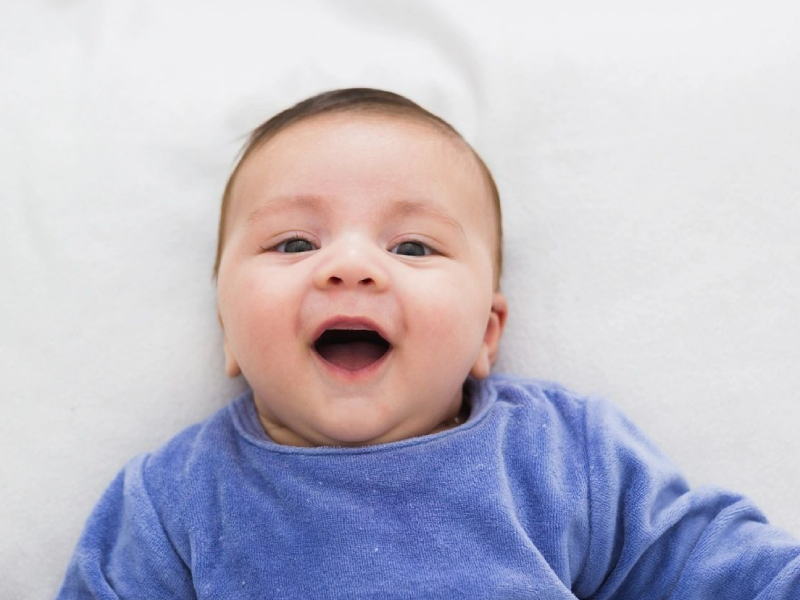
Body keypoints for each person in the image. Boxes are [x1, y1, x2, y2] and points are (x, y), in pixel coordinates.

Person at [56, 88, 800, 599]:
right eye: (292, 241)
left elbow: (720, 567)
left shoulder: (563, 456)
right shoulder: (174, 497)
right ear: (230, 338)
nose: (350, 264)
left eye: (412, 247)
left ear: (485, 334)